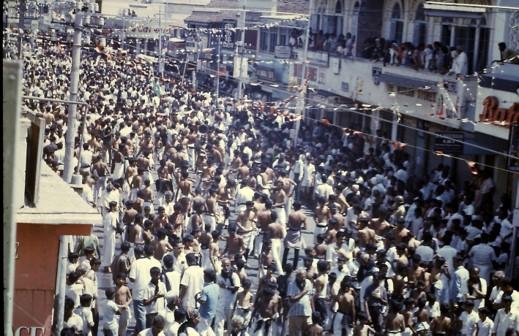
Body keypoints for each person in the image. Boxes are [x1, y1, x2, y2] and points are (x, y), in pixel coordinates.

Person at [130, 245, 162, 334]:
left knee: (141, 317)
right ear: (153, 252)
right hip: (153, 293)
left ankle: (143, 333)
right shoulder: (157, 262)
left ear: (144, 252)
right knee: (150, 315)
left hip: (139, 294)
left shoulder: (136, 262)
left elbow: (132, 278)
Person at [287, 269, 313, 336]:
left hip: (307, 313)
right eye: (302, 277)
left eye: (305, 276)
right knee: (294, 333)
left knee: (307, 333)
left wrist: (313, 310)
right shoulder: (292, 284)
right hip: (295, 313)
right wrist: (303, 293)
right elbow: (291, 299)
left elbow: (311, 298)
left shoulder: (308, 282)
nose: (304, 278)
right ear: (297, 276)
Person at [197, 269, 219, 336]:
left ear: (207, 277)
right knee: (207, 329)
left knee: (202, 332)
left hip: (204, 314)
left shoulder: (205, 289)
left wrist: (197, 298)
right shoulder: (217, 286)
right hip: (212, 313)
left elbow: (202, 301)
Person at [103, 201, 120, 273]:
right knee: (110, 251)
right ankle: (108, 266)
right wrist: (119, 230)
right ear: (113, 207)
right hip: (111, 234)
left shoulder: (107, 215)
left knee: (106, 250)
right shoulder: (113, 215)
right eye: (115, 206)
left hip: (106, 234)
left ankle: (106, 265)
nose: (116, 208)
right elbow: (114, 226)